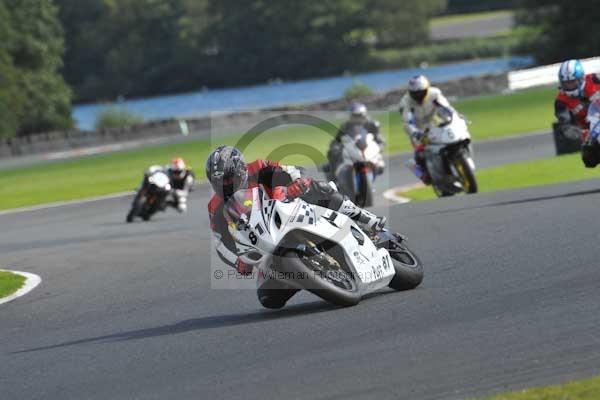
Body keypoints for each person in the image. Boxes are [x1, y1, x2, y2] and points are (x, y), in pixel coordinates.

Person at [206, 145, 387, 308]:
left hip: (289, 210)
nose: (223, 186)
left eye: (227, 180)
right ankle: (309, 277)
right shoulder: (215, 207)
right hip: (265, 242)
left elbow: (290, 170)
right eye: (217, 182)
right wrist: (238, 261)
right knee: (269, 299)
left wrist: (298, 181)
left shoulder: (259, 167)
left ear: (240, 171)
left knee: (318, 188)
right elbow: (222, 243)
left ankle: (365, 218)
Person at [399, 75, 456, 184]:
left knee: (449, 140)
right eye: (415, 93)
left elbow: (446, 108)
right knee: (420, 153)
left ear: (427, 88)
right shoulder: (406, 102)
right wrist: (415, 132)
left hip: (435, 122)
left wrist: (453, 117)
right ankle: (421, 173)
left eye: (421, 92)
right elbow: (407, 121)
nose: (418, 95)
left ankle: (452, 164)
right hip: (417, 129)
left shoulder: (434, 94)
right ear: (410, 92)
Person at [554, 59, 600, 167]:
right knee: (588, 159)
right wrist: (582, 135)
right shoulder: (561, 101)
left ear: (580, 79)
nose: (569, 86)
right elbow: (566, 126)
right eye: (566, 83)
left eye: (572, 82)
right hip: (592, 133)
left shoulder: (595, 79)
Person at [326, 103, 385, 180]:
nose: (357, 119)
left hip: (368, 149)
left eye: (359, 116)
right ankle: (333, 178)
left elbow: (379, 139)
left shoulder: (373, 124)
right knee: (332, 155)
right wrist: (335, 148)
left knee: (381, 166)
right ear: (351, 116)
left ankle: (374, 168)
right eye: (354, 116)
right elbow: (337, 140)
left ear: (364, 115)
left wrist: (380, 146)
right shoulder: (345, 126)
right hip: (352, 148)